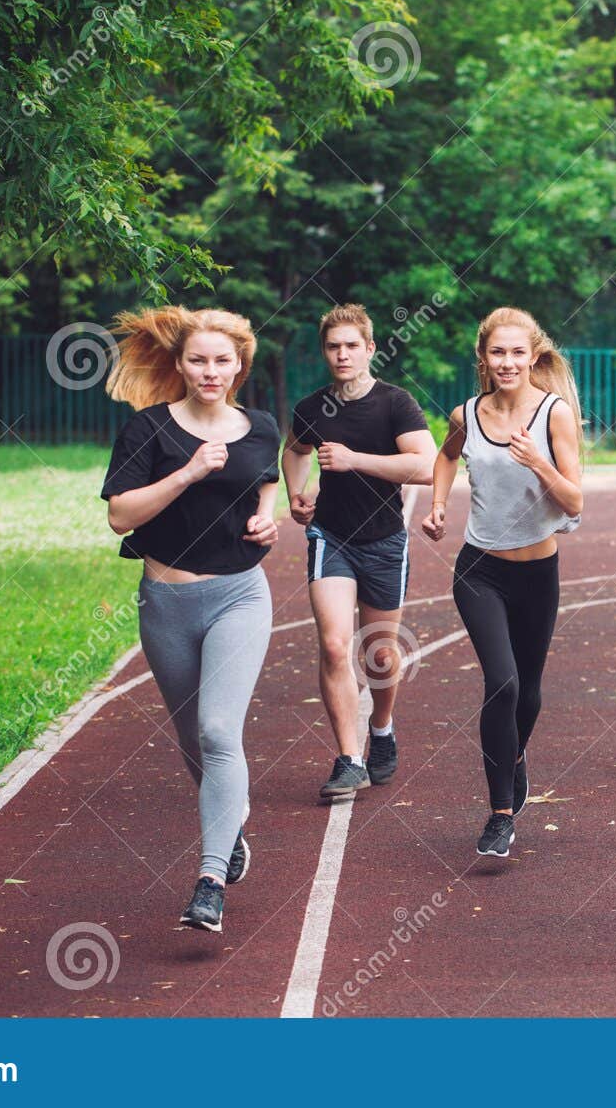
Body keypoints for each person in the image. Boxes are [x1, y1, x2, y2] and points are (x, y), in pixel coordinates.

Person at [100, 305, 282, 933]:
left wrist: (266, 519)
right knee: (192, 740)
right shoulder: (148, 430)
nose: (210, 371)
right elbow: (121, 516)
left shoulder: (260, 427)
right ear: (179, 364)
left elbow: (265, 481)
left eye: (222, 361)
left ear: (239, 366)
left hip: (239, 597)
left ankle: (209, 883)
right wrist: (189, 472)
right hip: (166, 603)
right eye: (198, 360)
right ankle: (230, 823)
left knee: (217, 730)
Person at [420, 307, 583, 858]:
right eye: (498, 353)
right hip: (479, 570)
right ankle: (500, 812)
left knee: (529, 690)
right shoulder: (466, 413)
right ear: (483, 358)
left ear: (533, 356)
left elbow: (574, 501)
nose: (508, 362)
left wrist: (539, 462)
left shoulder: (555, 414)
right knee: (503, 683)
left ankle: (514, 756)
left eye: (517, 353)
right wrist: (439, 505)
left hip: (538, 572)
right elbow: (445, 457)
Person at [282, 304, 436, 800]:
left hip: (385, 541)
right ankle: (349, 759)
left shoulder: (395, 404)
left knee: (380, 654)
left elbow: (426, 466)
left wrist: (354, 460)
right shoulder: (312, 408)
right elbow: (295, 450)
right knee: (334, 645)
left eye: (351, 345)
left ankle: (382, 727)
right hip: (331, 537)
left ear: (370, 349)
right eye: (333, 347)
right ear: (324, 352)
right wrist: (296, 493)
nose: (342, 355)